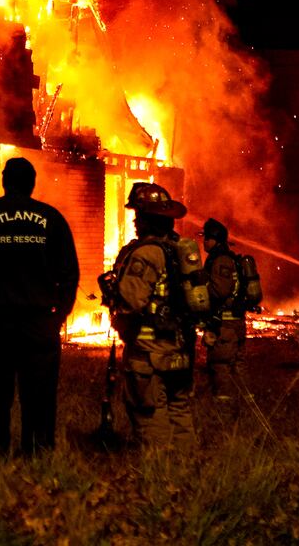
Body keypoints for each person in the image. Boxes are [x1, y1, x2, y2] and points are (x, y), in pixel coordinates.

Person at [0, 156, 78, 454]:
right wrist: (58, 315)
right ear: (32, 183)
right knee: (39, 392)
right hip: (39, 323)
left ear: (4, 181)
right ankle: (38, 451)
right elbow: (70, 274)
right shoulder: (52, 218)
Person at [100, 182, 198, 450]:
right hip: (181, 347)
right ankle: (188, 469)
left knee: (148, 412)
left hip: (149, 351)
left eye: (138, 215)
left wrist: (112, 293)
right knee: (179, 409)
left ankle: (159, 473)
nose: (134, 222)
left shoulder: (146, 254)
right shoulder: (180, 250)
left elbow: (130, 300)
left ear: (147, 218)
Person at [200, 217, 255, 401]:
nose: (203, 241)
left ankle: (223, 406)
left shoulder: (221, 259)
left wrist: (199, 289)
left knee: (221, 362)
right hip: (235, 321)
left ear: (214, 239)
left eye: (206, 238)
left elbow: (220, 290)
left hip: (226, 323)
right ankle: (246, 403)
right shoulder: (229, 258)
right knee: (238, 364)